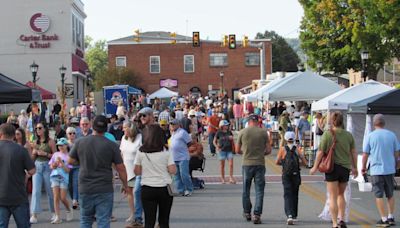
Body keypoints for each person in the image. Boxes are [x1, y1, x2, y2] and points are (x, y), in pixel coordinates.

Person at [68, 115, 128, 228]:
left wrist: (83, 161)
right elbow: (121, 168)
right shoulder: (112, 145)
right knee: (103, 220)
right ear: (106, 128)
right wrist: (125, 185)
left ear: (92, 126)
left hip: (85, 187)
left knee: (85, 220)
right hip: (104, 187)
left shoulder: (80, 142)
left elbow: (70, 161)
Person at [310, 111, 358, 228]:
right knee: (341, 195)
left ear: (332, 121)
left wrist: (315, 167)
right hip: (345, 168)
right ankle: (342, 219)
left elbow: (321, 152)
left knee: (333, 196)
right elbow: (353, 153)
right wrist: (355, 167)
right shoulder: (348, 135)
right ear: (343, 121)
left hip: (332, 168)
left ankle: (335, 223)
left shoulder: (328, 134)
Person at [134, 125, 176, 228]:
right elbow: (172, 170)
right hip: (164, 187)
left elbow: (137, 171)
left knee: (149, 221)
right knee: (164, 221)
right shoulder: (166, 151)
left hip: (147, 187)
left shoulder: (141, 151)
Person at [361, 114, 400, 227]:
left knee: (379, 195)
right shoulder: (392, 135)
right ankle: (391, 216)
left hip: (376, 169)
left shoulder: (370, 136)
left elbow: (365, 154)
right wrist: (397, 163)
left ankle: (383, 219)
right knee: (390, 194)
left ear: (374, 124)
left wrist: (363, 167)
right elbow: (397, 152)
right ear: (384, 123)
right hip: (389, 169)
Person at [236, 114, 271, 224]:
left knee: (246, 189)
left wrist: (245, 153)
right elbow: (269, 150)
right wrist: (261, 153)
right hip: (260, 163)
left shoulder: (242, 132)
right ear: (257, 121)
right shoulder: (263, 132)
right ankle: (257, 214)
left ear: (249, 121)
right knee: (259, 190)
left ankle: (247, 212)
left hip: (247, 163)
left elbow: (237, 150)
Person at [0, 123, 36, 227]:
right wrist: (26, 175)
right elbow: (32, 170)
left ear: (1, 134)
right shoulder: (21, 150)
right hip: (18, 196)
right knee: (23, 225)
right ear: (13, 135)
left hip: (1, 196)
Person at [275, 131, 308, 225]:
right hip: (296, 174)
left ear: (285, 139)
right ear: (293, 139)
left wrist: (284, 163)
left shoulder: (282, 149)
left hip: (286, 174)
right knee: (295, 194)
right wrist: (299, 164)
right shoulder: (297, 149)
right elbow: (304, 162)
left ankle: (289, 215)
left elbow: (276, 162)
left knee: (287, 194)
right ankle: (294, 215)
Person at [30, 123, 57, 224]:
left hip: (47, 166)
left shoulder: (50, 142)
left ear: (45, 129)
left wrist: (45, 154)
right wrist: (33, 153)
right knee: (36, 191)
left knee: (50, 191)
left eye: (40, 128)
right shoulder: (35, 142)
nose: (38, 130)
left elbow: (56, 156)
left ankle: (54, 212)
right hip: (37, 166)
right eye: (36, 128)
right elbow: (32, 159)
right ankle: (34, 214)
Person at [120, 121, 142, 224]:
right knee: (129, 192)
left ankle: (139, 214)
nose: (123, 129)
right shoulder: (123, 139)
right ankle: (133, 214)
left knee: (136, 192)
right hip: (127, 169)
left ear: (131, 128)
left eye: (125, 128)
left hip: (138, 169)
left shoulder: (139, 138)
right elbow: (122, 154)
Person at [49, 138, 73, 224]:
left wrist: (62, 164)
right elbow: (50, 166)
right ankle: (57, 216)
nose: (60, 147)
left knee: (62, 198)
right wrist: (53, 165)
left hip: (64, 178)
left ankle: (68, 209)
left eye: (62, 145)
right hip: (54, 176)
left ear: (66, 145)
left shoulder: (69, 156)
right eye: (59, 145)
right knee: (55, 197)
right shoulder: (55, 154)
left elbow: (68, 170)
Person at [169, 119, 193, 196]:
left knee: (184, 175)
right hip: (174, 157)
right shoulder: (173, 133)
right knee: (176, 175)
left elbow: (189, 143)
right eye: (171, 124)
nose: (172, 125)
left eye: (174, 124)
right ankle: (181, 190)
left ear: (178, 125)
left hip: (183, 157)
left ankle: (189, 189)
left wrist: (183, 149)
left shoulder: (182, 132)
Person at [214, 120, 236, 184]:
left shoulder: (229, 132)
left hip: (229, 150)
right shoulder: (219, 132)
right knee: (222, 165)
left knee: (231, 164)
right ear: (222, 126)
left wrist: (232, 141)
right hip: (222, 150)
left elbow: (232, 141)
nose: (227, 126)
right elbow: (214, 141)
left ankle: (231, 177)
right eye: (225, 125)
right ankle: (223, 178)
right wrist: (217, 147)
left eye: (227, 125)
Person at [66, 127, 79, 209]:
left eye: (74, 133)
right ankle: (73, 198)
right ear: (67, 135)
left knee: (75, 183)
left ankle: (75, 200)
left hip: (77, 166)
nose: (72, 135)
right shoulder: (65, 143)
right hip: (67, 167)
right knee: (69, 185)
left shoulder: (78, 143)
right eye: (70, 133)